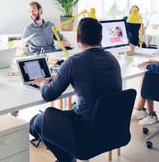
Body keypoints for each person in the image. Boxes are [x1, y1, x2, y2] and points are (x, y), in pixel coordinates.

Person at [33, 18, 122, 162]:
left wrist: (43, 82)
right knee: (73, 108)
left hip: (86, 129)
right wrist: (63, 76)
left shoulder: (73, 62)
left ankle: (67, 159)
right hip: (110, 127)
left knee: (39, 120)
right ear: (101, 38)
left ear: (77, 38)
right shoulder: (112, 58)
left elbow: (48, 94)